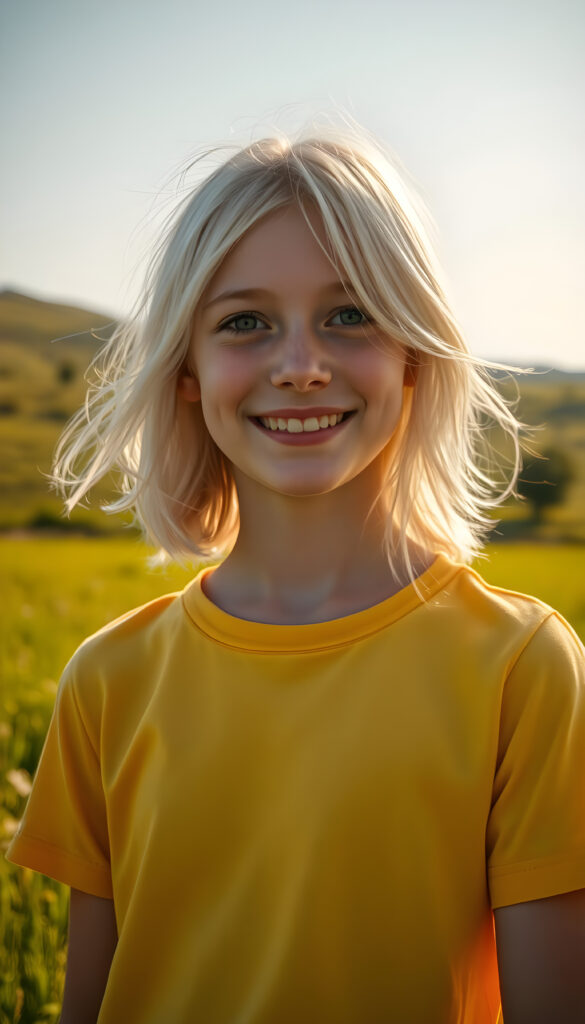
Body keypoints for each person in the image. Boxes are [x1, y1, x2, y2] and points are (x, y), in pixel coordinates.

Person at [6, 123, 585, 1024]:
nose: (302, 366)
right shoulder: (108, 679)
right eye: (245, 322)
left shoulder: (520, 667)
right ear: (187, 371)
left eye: (349, 314)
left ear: (415, 354)